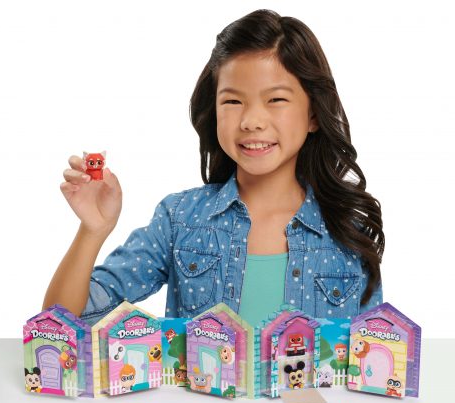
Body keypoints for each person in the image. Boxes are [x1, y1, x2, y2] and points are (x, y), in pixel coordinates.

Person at [43, 9, 384, 327]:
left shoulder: (347, 230)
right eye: (233, 101)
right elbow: (60, 325)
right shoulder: (180, 220)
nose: (251, 121)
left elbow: (371, 348)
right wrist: (93, 230)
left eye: (276, 100)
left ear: (313, 115)